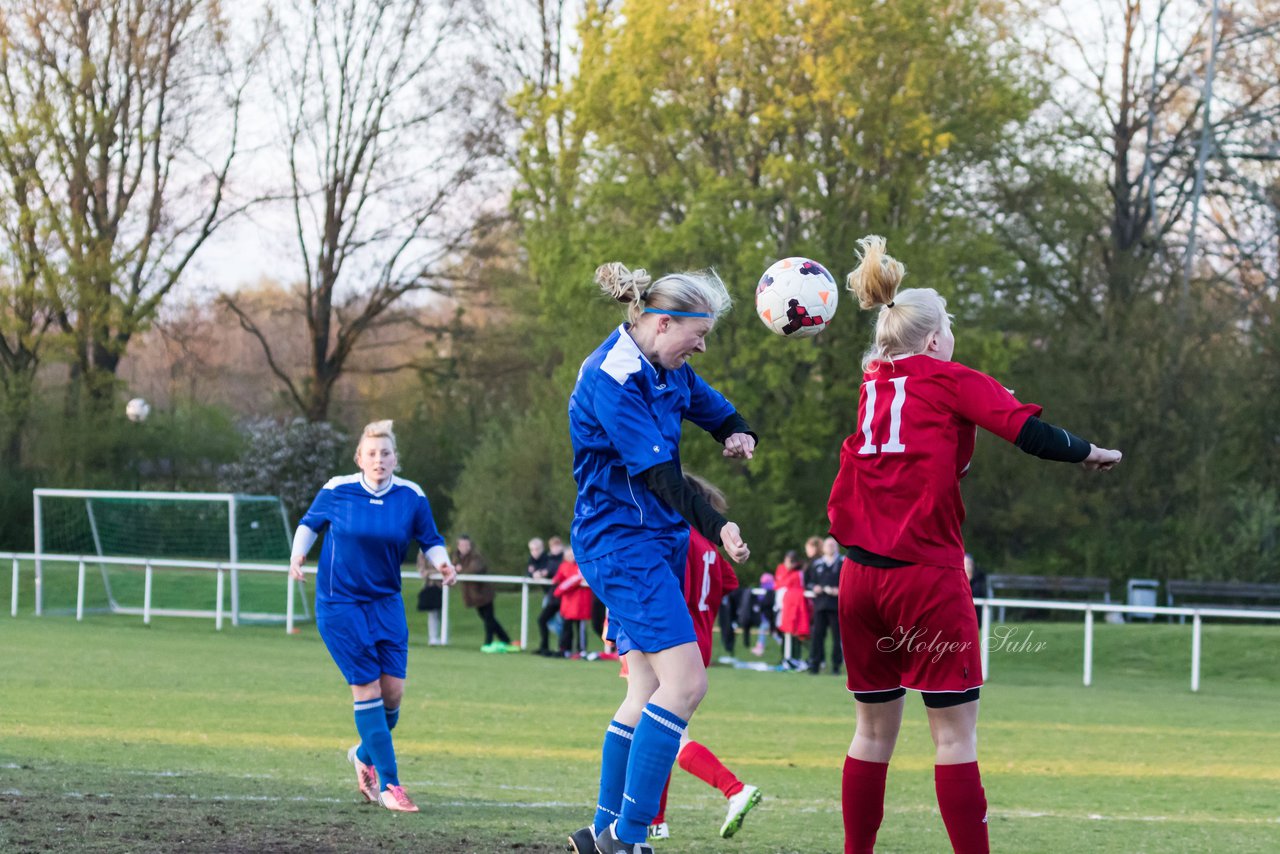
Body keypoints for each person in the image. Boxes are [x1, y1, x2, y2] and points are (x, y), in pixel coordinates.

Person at [828, 236, 1122, 854]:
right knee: (955, 738)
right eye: (951, 326)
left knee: (872, 734)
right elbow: (1031, 434)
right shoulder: (952, 377)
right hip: (925, 578)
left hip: (858, 579)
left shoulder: (873, 385)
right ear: (934, 340)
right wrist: (1093, 452)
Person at [564, 261, 755, 854]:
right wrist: (718, 525)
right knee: (687, 684)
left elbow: (713, 407)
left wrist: (736, 431)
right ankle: (628, 838)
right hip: (622, 544)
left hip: (654, 542)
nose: (701, 346)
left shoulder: (667, 366)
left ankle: (600, 833)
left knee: (644, 690)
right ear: (664, 322)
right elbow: (659, 478)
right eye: (699, 334)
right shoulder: (611, 376)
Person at [289, 419, 457, 813]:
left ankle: (364, 755)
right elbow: (309, 524)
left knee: (392, 695)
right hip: (340, 604)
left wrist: (444, 564)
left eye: (385, 453)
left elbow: (430, 538)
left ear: (395, 458)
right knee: (367, 690)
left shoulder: (411, 496)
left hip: (386, 604)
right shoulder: (337, 489)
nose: (379, 459)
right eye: (371, 453)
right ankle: (391, 787)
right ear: (359, 458)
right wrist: (298, 555)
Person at [646, 474, 762, 843]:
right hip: (700, 641)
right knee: (659, 729)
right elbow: (728, 582)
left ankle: (734, 789)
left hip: (672, 641)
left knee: (669, 734)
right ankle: (656, 819)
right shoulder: (708, 543)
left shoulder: (679, 537)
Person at [453, 534, 519, 654]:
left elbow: (474, 570)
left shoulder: (476, 556)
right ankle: (506, 640)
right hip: (473, 596)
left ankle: (487, 643)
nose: (464, 547)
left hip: (484, 593)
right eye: (462, 545)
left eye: (466, 544)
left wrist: (460, 570)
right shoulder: (457, 557)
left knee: (489, 619)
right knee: (489, 619)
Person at [807, 536, 843, 675]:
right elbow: (809, 582)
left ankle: (836, 667)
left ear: (837, 547)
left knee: (837, 638)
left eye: (833, 545)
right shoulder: (817, 564)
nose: (830, 547)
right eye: (828, 545)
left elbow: (850, 582)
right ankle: (815, 665)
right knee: (817, 636)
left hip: (836, 606)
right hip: (820, 605)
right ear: (823, 548)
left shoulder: (842, 562)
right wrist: (814, 587)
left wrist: (839, 590)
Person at [553, 546, 594, 657]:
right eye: (569, 555)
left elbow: (573, 582)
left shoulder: (582, 566)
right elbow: (558, 578)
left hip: (581, 604)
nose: (571, 557)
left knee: (580, 629)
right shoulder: (563, 566)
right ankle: (566, 649)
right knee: (567, 629)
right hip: (568, 603)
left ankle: (582, 650)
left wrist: (560, 588)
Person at [774, 550, 810, 669]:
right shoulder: (781, 569)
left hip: (794, 607)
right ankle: (785, 658)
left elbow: (797, 587)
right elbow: (779, 584)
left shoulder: (798, 573)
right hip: (783, 607)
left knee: (795, 633)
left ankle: (795, 658)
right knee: (785, 633)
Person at [528, 537, 559, 656]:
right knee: (544, 620)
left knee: (556, 622)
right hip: (550, 595)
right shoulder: (532, 559)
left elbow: (551, 570)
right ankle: (545, 647)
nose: (534, 552)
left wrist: (541, 573)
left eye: (537, 549)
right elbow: (529, 571)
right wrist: (533, 574)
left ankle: (563, 647)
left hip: (557, 595)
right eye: (532, 550)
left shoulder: (549, 559)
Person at [414, 551, 443, 646]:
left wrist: (429, 572)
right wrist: (423, 571)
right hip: (429, 586)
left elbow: (443, 567)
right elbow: (420, 567)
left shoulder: (439, 549)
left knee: (441, 613)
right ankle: (433, 637)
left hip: (441, 585)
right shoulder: (422, 552)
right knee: (432, 612)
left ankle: (442, 636)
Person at [964, 553, 987, 618]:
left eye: (969, 563)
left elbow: (978, 593)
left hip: (977, 609)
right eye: (966, 563)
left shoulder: (979, 577)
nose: (968, 566)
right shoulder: (958, 578)